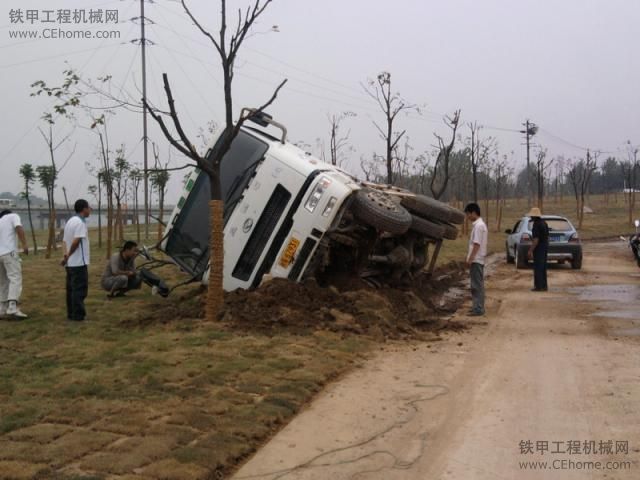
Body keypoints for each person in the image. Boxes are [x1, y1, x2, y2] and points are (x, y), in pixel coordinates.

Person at [62, 199, 91, 321]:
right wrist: (68, 254)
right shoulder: (80, 223)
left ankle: (71, 314)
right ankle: (78, 316)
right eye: (89, 207)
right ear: (84, 209)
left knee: (71, 290)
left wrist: (65, 256)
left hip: (70, 263)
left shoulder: (70, 221)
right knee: (79, 290)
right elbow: (76, 241)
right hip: (79, 262)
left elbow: (64, 241)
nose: (90, 210)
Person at [0, 210, 29, 319]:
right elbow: (18, 227)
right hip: (9, 253)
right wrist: (24, 244)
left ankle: (2, 308)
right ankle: (12, 307)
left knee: (3, 281)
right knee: (15, 278)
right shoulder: (13, 216)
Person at [464, 203, 488, 316]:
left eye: (468, 214)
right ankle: (477, 306)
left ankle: (478, 308)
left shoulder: (478, 226)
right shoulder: (480, 225)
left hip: (476, 259)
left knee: (476, 285)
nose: (467, 217)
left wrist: (470, 258)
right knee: (477, 284)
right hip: (478, 259)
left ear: (473, 213)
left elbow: (476, 244)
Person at [527, 207, 549, 292]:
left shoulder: (536, 224)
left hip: (539, 248)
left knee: (538, 267)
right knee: (543, 267)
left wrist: (530, 250)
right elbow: (547, 236)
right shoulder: (544, 223)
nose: (531, 217)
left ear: (534, 216)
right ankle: (544, 286)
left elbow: (536, 240)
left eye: (531, 216)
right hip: (545, 246)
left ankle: (538, 286)